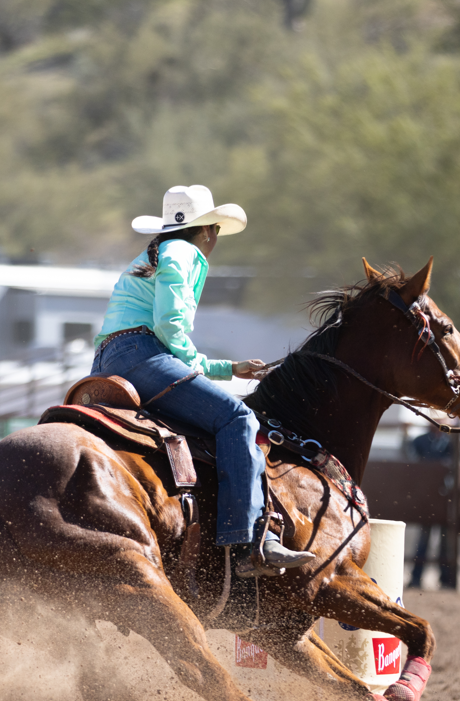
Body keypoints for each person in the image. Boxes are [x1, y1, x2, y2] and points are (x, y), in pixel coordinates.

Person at [89, 184, 315, 575]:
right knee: (239, 420)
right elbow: (169, 327)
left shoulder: (156, 253)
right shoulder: (185, 252)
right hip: (142, 356)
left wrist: (229, 369)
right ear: (209, 231)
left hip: (110, 361)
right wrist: (210, 366)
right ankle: (246, 542)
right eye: (216, 233)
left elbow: (166, 340)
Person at [406, 425, 456, 590]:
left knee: (445, 541)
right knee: (423, 539)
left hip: (446, 500)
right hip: (426, 498)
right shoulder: (420, 441)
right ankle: (416, 578)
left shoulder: (452, 442)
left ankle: (446, 579)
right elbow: (411, 462)